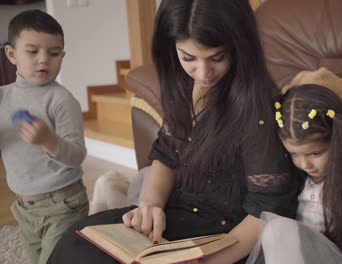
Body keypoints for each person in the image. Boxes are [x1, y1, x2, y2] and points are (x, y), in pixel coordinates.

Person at [47, 0, 299, 263]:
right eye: (188, 57)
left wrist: (205, 262)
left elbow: (267, 213)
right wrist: (151, 205)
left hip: (225, 237)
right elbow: (167, 155)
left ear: (240, 46)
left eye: (217, 57)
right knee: (77, 241)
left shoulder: (260, 110)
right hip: (174, 216)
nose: (203, 73)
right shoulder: (182, 85)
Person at [247, 84, 342, 264]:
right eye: (294, 154)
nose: (304, 164)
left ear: (338, 142)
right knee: (276, 228)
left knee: (278, 228)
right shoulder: (296, 179)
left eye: (315, 154)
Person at [0, 10, 89, 264]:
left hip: (63, 204)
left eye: (54, 53)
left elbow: (77, 155)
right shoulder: (3, 97)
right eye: (32, 51)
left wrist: (49, 140)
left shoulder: (61, 101)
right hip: (24, 208)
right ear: (11, 54)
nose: (43, 60)